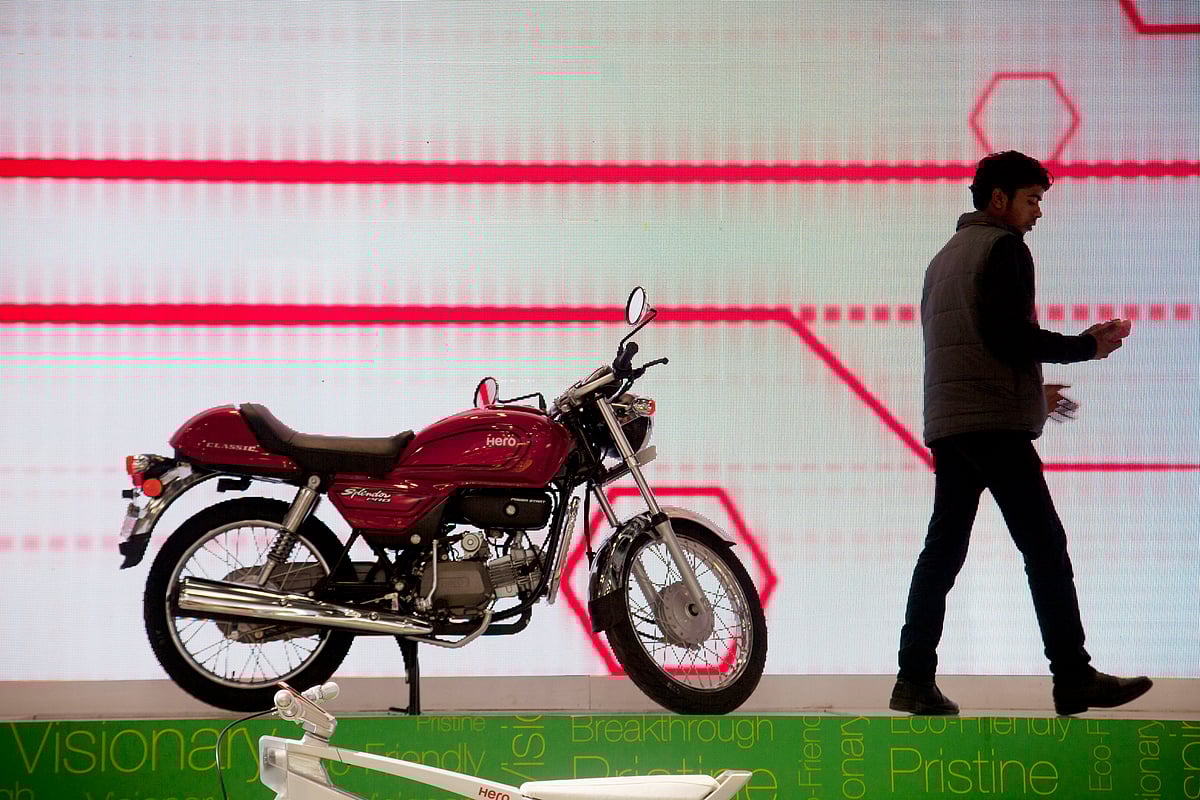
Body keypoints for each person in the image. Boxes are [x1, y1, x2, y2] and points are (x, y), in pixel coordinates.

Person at [889, 150, 1152, 716]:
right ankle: (1073, 676)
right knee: (1044, 547)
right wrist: (1087, 346)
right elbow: (1010, 338)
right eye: (1032, 200)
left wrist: (1031, 395)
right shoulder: (1004, 248)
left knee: (941, 554)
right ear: (999, 199)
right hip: (994, 427)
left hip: (952, 425)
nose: (1037, 212)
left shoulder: (943, 259)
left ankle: (913, 678)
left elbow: (972, 347)